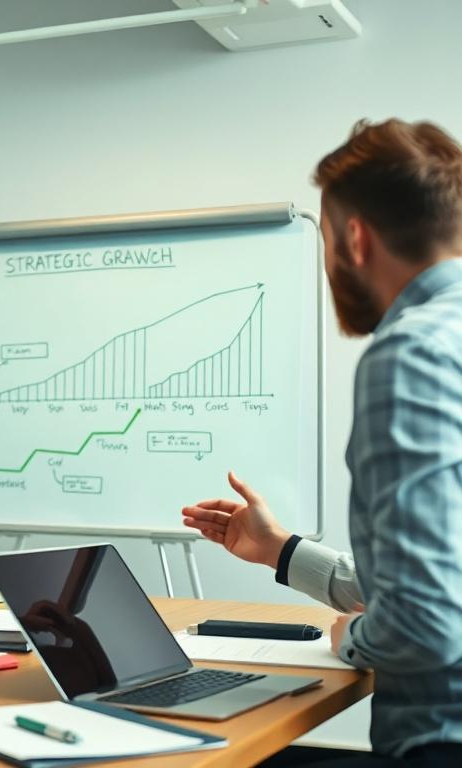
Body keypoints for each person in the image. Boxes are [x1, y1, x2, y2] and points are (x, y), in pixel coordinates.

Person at [182, 119, 462, 766]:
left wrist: (351, 638)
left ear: (355, 238)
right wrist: (282, 551)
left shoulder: (412, 353)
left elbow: (427, 625)